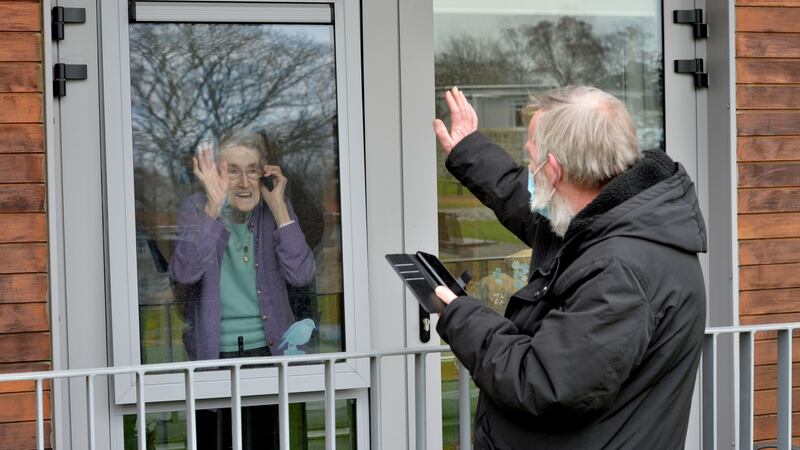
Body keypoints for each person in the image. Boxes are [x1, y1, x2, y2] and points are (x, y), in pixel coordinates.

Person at [431, 86, 707, 449]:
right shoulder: (615, 217)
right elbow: (532, 205)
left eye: (532, 160)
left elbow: (544, 384)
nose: (530, 171)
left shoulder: (619, 273)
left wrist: (460, 315)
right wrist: (469, 152)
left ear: (555, 170)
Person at [169, 133, 316, 361]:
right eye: (233, 171)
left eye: (252, 170)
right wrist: (214, 206)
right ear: (217, 173)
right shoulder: (198, 208)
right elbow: (185, 273)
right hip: (216, 354)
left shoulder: (276, 208)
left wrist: (279, 208)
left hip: (274, 351)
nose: (245, 183)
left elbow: (301, 275)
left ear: (263, 173)